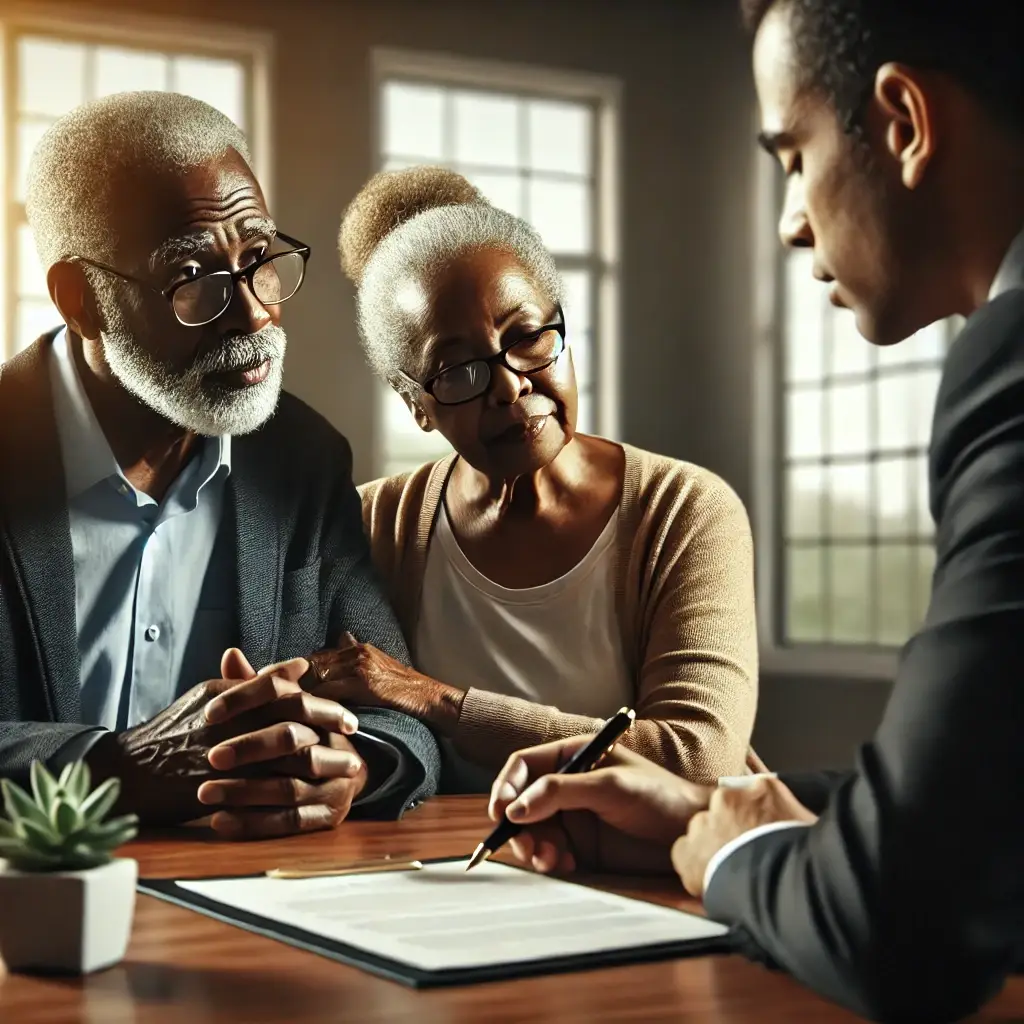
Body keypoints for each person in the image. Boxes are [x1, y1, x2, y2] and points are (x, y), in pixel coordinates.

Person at [486, 1, 1024, 1020]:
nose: (788, 219)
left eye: (791, 154)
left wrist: (740, 858)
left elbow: (904, 925)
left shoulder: (1011, 373)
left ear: (904, 122)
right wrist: (702, 810)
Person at [0, 91, 440, 840]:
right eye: (194, 274)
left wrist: (351, 764)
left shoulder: (303, 461)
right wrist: (118, 767)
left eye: (261, 258)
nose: (255, 312)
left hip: (245, 897)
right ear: (82, 301)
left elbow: (395, 709)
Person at [311, 166, 758, 793]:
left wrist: (438, 701)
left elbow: (695, 758)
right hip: (436, 867)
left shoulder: (684, 511)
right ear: (415, 402)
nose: (509, 384)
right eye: (458, 368)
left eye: (527, 337)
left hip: (635, 877)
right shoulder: (370, 526)